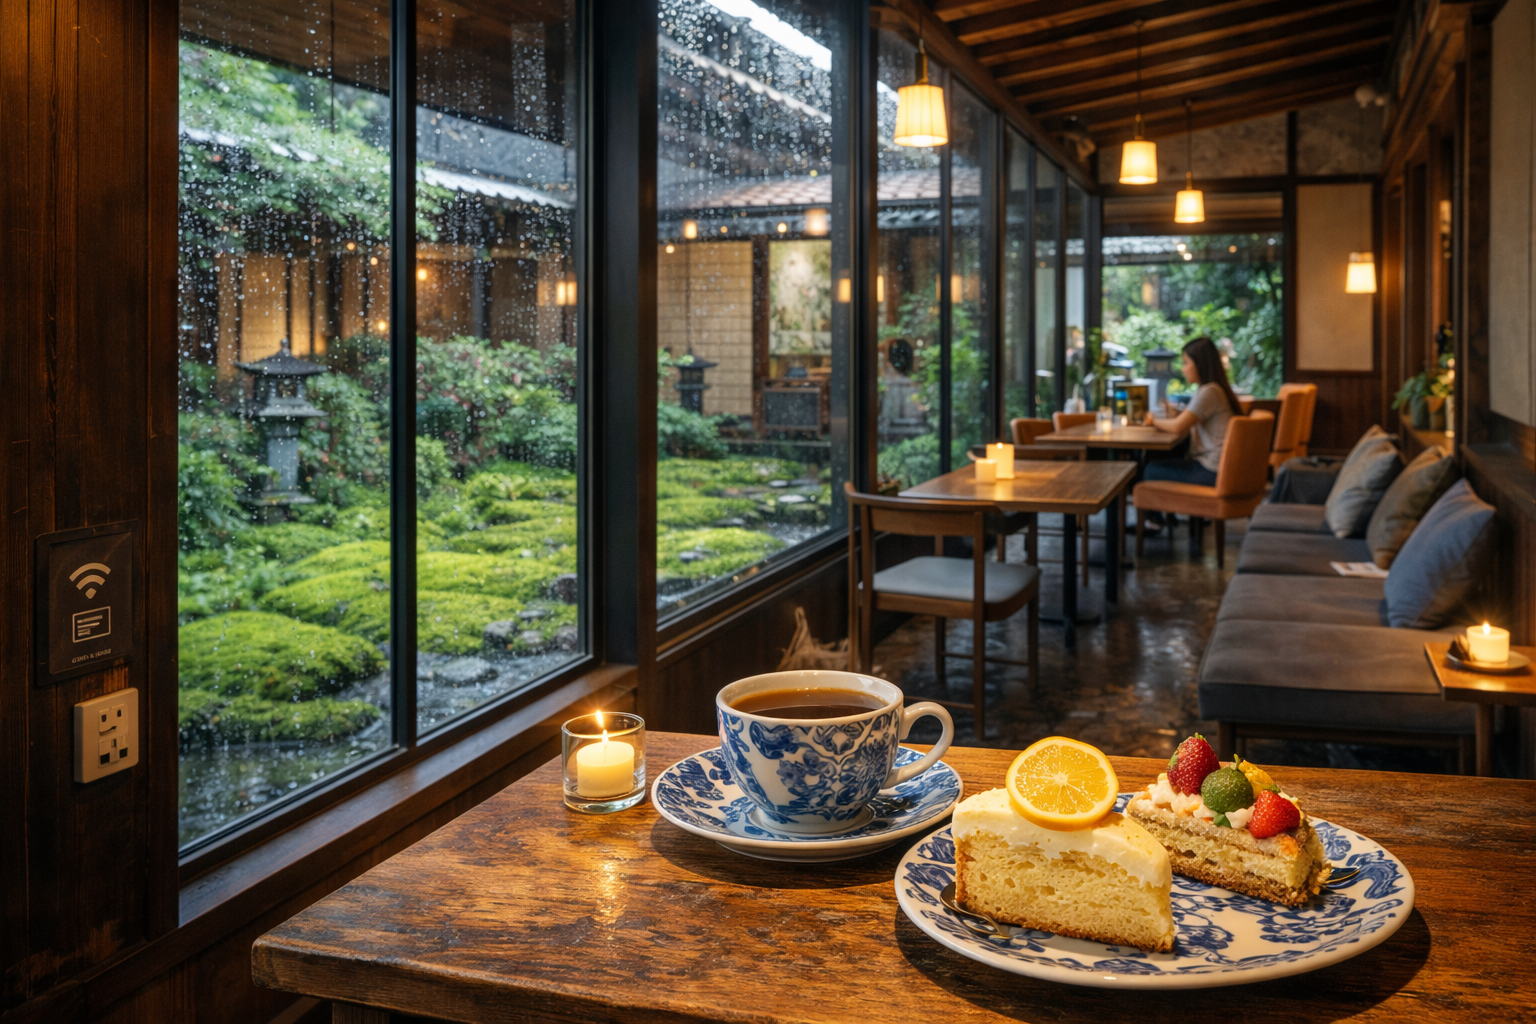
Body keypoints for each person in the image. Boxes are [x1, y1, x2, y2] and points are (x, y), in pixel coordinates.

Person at [1139, 337, 1245, 530]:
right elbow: (1187, 421)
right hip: (1218, 469)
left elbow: (1178, 428)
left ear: (1200, 364)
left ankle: (1154, 523)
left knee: (1150, 470)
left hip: (1212, 472)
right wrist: (1177, 414)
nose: (1183, 369)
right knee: (1163, 459)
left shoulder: (1209, 392)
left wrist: (1151, 420)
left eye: (1186, 362)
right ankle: (1164, 519)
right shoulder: (1211, 390)